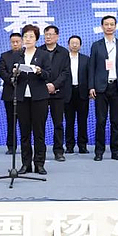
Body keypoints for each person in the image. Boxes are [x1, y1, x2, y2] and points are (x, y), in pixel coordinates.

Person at [88, 15, 118, 161]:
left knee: (116, 121)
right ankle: (99, 151)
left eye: (112, 24)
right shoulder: (96, 45)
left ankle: (116, 151)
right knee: (101, 121)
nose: (109, 27)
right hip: (101, 88)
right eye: (106, 24)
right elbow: (92, 68)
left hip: (117, 87)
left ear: (115, 26)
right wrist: (91, 86)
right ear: (102, 27)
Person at [14, 24, 51, 174]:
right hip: (22, 98)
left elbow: (48, 74)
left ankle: (39, 163)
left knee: (39, 132)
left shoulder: (43, 55)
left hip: (39, 98)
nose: (28, 39)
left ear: (36, 38)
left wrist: (39, 71)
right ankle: (26, 164)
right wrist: (15, 73)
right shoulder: (18, 55)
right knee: (24, 133)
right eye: (25, 36)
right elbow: (11, 77)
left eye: (31, 36)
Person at [42, 25, 72, 162]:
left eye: (51, 34)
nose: (48, 37)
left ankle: (59, 151)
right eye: (46, 34)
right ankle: (40, 151)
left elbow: (65, 72)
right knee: (39, 124)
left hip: (58, 93)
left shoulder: (64, 52)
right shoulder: (39, 51)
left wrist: (54, 85)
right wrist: (46, 85)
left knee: (58, 123)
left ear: (57, 36)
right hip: (41, 93)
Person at [0, 33, 23, 155]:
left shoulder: (27, 55)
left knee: (25, 121)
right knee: (11, 120)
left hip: (24, 92)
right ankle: (11, 146)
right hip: (9, 92)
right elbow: (2, 72)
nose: (15, 44)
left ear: (22, 41)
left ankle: (26, 145)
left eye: (17, 41)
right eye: (13, 42)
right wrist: (11, 79)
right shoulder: (4, 56)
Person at [64, 35, 89, 154]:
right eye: (72, 43)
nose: (74, 45)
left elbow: (90, 76)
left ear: (80, 45)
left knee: (82, 121)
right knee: (69, 121)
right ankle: (69, 145)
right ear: (68, 45)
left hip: (82, 92)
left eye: (77, 43)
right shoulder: (63, 59)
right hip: (68, 93)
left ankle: (82, 145)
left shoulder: (86, 59)